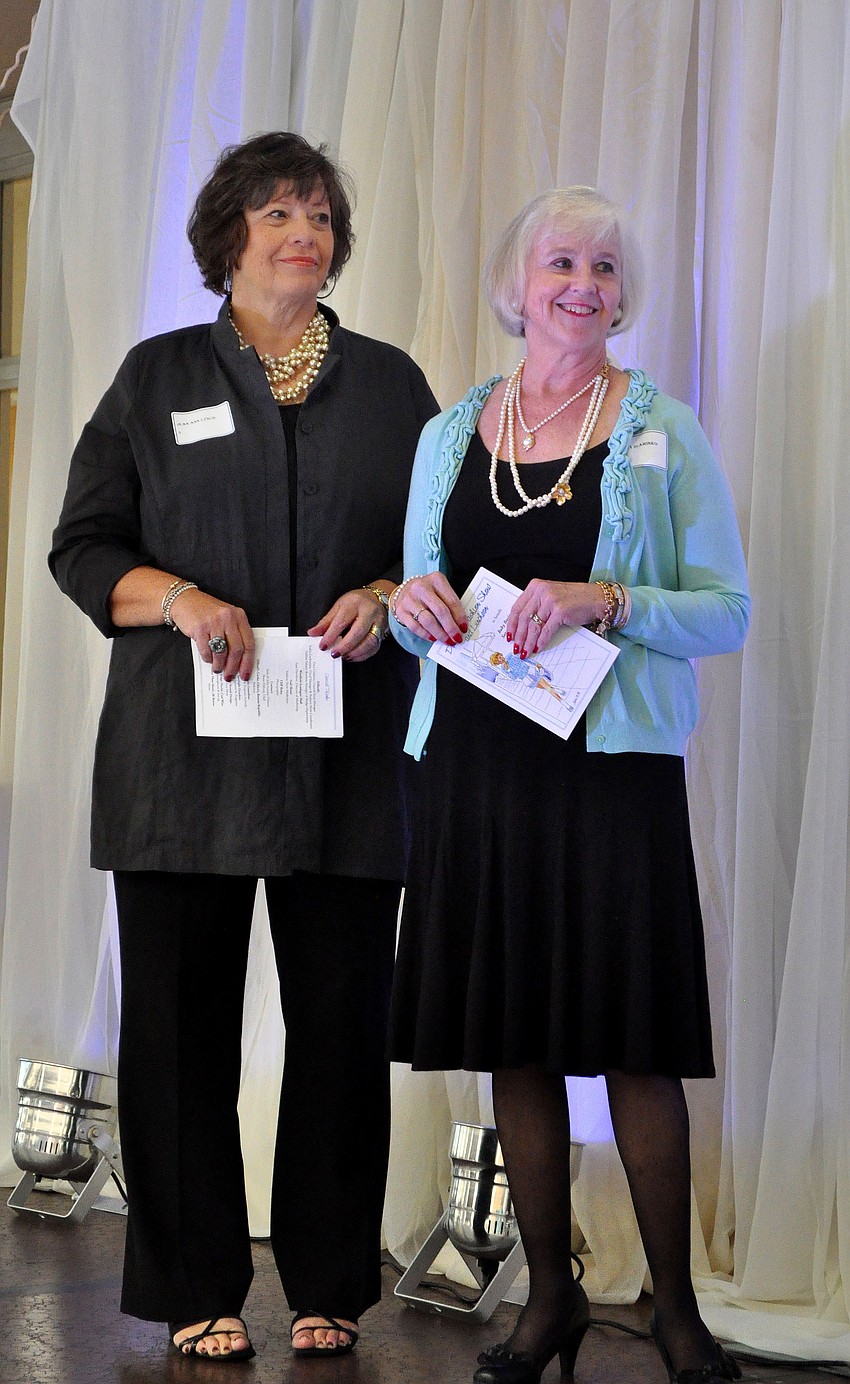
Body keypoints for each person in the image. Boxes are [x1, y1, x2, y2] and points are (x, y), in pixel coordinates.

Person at [49, 131, 437, 1363]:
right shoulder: (154, 376)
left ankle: (330, 1277)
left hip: (345, 751)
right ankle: (193, 1286)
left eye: (318, 215)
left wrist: (383, 596)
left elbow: (437, 558)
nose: (301, 233)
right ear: (228, 238)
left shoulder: (391, 386)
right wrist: (178, 596)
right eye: (275, 213)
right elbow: (85, 547)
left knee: (337, 1029)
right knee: (174, 1034)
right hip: (180, 762)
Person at [388, 187, 749, 1384]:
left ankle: (678, 1316)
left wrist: (612, 601)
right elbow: (411, 607)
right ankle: (549, 1306)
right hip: (475, 774)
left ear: (620, 292)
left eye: (603, 265)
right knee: (517, 1043)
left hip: (607, 773)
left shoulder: (661, 429)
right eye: (560, 261)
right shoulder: (451, 432)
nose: (580, 283)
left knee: (631, 1046)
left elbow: (727, 610)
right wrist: (410, 608)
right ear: (518, 281)